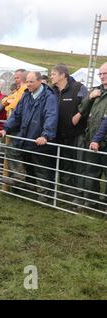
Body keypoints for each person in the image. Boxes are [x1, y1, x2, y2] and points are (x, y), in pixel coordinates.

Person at [0, 72, 58, 203]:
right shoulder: (26, 95)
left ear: (40, 81)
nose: (28, 84)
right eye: (27, 82)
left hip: (39, 139)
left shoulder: (49, 97)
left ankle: (44, 197)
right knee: (11, 148)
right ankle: (19, 176)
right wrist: (6, 129)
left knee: (41, 168)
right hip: (25, 135)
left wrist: (45, 135)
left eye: (31, 82)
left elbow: (50, 116)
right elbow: (16, 115)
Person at [50, 64, 88, 203]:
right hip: (58, 134)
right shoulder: (52, 90)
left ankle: (79, 196)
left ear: (62, 75)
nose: (51, 76)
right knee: (64, 164)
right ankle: (66, 193)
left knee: (78, 165)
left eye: (53, 74)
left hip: (76, 134)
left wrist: (78, 116)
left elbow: (87, 105)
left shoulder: (79, 88)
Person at [76, 62, 107, 209]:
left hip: (103, 141)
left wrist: (98, 139)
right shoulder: (97, 91)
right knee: (91, 172)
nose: (102, 76)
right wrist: (90, 96)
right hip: (92, 140)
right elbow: (82, 109)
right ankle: (91, 202)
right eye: (100, 74)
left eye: (105, 73)